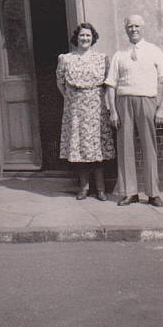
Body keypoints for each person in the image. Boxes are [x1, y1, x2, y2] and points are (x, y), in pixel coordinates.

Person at [105, 14, 163, 207]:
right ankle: (130, 192)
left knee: (148, 146)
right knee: (125, 146)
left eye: (137, 26)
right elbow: (110, 84)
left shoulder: (154, 51)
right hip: (123, 102)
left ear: (142, 28)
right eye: (130, 26)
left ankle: (153, 193)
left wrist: (162, 107)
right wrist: (113, 111)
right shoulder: (120, 54)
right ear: (125, 29)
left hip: (147, 101)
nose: (133, 29)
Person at [56, 22, 115, 201]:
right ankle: (84, 187)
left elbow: (108, 83)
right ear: (76, 37)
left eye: (88, 36)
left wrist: (97, 99)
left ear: (93, 38)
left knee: (97, 148)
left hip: (96, 108)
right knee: (80, 148)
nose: (85, 38)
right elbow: (60, 82)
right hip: (75, 110)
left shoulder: (102, 59)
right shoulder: (66, 59)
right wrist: (71, 98)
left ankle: (101, 189)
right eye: (82, 35)